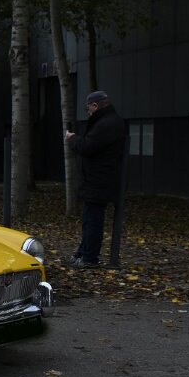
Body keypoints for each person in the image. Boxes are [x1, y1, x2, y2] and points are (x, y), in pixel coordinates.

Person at [64, 91, 126, 268]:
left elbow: (87, 146)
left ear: (95, 105)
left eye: (88, 108)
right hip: (100, 178)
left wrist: (73, 139)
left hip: (98, 179)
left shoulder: (105, 124)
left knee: (92, 220)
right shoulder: (111, 121)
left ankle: (89, 257)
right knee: (90, 218)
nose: (88, 112)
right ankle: (84, 253)